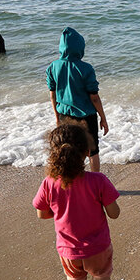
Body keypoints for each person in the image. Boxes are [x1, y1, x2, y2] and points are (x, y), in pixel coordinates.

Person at [33, 122, 126, 280]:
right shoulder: (98, 180)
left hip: (68, 251)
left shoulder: (49, 183)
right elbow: (115, 213)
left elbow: (42, 213)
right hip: (98, 249)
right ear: (86, 152)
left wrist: (61, 212)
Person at [46, 27, 109, 173]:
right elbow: (94, 97)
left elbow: (53, 96)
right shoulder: (86, 68)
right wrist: (103, 118)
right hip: (86, 116)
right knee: (92, 150)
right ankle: (95, 183)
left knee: (69, 150)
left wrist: (57, 118)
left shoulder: (52, 67)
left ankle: (73, 182)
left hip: (65, 116)